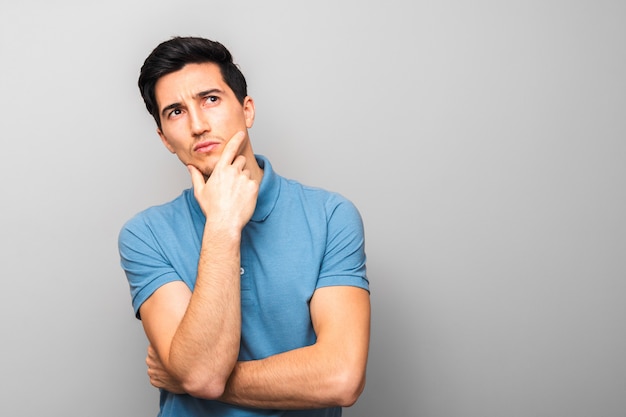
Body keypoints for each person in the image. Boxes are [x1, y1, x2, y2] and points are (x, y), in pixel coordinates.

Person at [118, 36, 370, 417]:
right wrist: (222, 225)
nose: (198, 124)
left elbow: (341, 378)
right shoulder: (145, 234)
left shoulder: (331, 216)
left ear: (247, 110)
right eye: (175, 112)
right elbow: (201, 374)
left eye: (211, 99)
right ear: (164, 139)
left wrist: (187, 376)